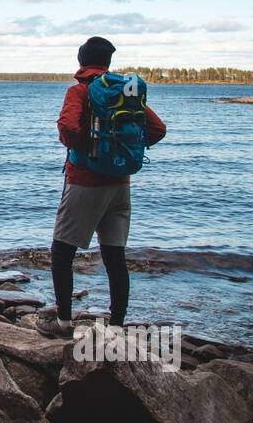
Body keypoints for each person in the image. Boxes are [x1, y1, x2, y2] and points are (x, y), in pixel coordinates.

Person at [39, 36, 166, 336]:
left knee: (62, 252)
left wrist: (86, 150)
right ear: (108, 62)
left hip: (85, 181)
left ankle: (63, 323)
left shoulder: (81, 90)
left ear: (81, 60)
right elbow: (158, 129)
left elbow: (69, 128)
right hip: (121, 185)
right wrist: (121, 150)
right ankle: (117, 326)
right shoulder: (125, 93)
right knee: (114, 256)